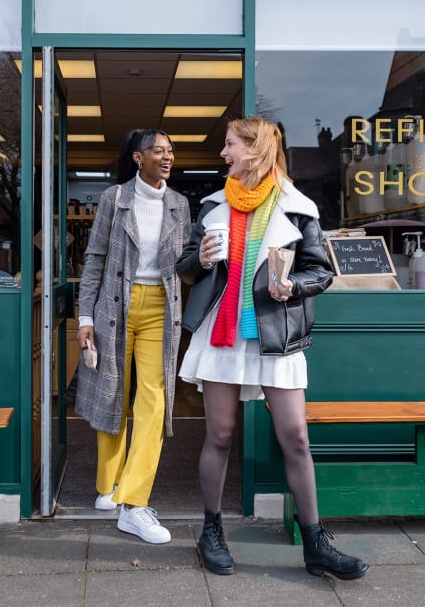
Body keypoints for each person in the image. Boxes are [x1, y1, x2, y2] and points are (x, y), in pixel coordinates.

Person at [176, 116, 368, 579]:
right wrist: (198, 259)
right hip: (222, 336)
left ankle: (315, 542)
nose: (223, 154)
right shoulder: (212, 206)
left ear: (256, 148)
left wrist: (291, 287)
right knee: (219, 435)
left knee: (296, 438)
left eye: (229, 145)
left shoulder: (298, 207)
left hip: (275, 335)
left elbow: (320, 271)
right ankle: (212, 532)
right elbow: (183, 265)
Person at [75, 128, 191, 544]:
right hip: (114, 306)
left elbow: (186, 263)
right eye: (159, 150)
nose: (168, 156)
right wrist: (84, 315)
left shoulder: (180, 204)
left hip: (161, 307)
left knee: (153, 400)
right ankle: (108, 485)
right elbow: (95, 259)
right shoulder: (114, 199)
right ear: (138, 158)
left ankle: (134, 502)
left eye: (171, 150)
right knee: (112, 391)